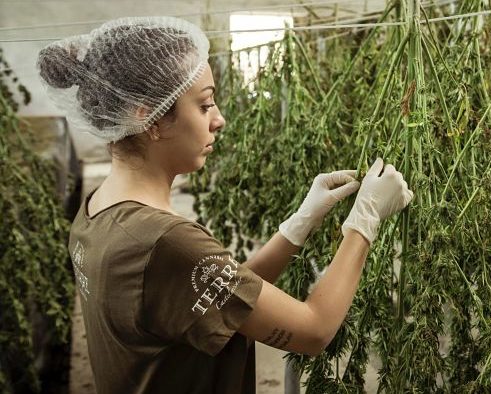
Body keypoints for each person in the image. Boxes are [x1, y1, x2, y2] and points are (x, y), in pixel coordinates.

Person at [37, 16, 413, 394]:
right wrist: (364, 221)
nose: (220, 119)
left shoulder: (97, 211)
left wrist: (298, 224)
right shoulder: (165, 243)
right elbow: (313, 330)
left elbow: (217, 298)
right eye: (204, 105)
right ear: (148, 117)